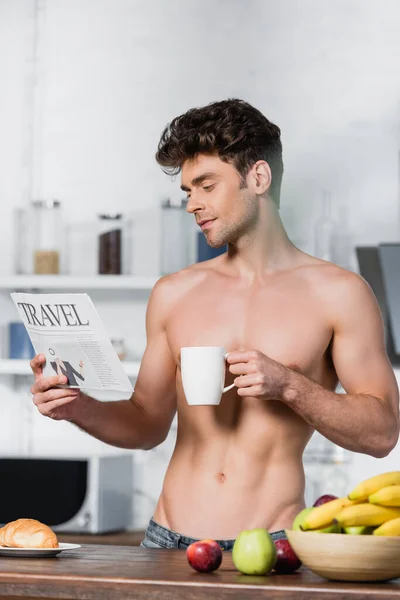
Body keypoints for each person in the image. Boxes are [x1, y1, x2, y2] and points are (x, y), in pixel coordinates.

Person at [30, 99, 399, 550]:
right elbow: (147, 424)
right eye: (188, 191)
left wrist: (289, 385)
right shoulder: (175, 293)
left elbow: (382, 432)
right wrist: (77, 407)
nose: (192, 204)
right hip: (165, 541)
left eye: (206, 186)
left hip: (271, 546)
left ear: (258, 178)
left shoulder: (339, 293)